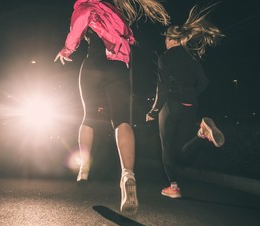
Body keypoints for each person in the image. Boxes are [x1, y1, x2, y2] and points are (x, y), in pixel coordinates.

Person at [55, 0, 170, 213]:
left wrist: (66, 50)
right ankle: (128, 174)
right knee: (122, 120)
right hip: (119, 69)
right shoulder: (117, 13)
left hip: (94, 65)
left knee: (88, 116)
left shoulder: (86, 6)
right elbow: (129, 39)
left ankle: (84, 166)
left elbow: (78, 27)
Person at [146, 4, 225, 199]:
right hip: (190, 106)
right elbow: (205, 82)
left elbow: (161, 88)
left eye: (166, 38)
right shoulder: (191, 58)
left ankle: (174, 187)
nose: (165, 41)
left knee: (167, 149)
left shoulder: (165, 58)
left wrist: (153, 111)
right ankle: (201, 134)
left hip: (171, 106)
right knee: (182, 151)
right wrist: (190, 94)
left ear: (171, 40)